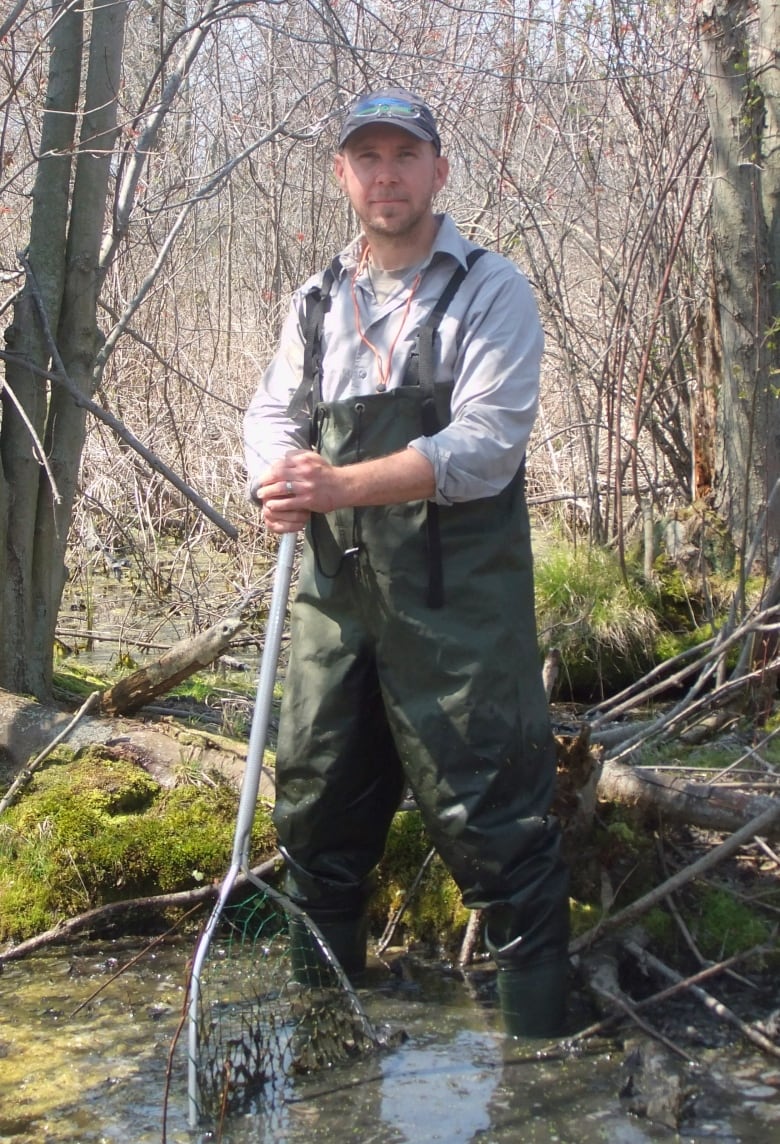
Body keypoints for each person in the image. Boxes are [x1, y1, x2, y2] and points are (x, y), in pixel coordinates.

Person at [243, 87, 570, 1037]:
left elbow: (487, 445)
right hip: (334, 592)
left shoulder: (489, 287)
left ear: (438, 169)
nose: (386, 175)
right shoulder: (314, 301)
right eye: (368, 158)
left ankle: (541, 1066)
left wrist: (339, 485)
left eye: (405, 156)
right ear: (343, 174)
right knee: (315, 801)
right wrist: (280, 478)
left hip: (457, 595)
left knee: (496, 817)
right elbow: (271, 414)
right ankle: (325, 1049)